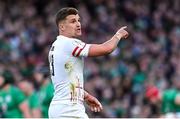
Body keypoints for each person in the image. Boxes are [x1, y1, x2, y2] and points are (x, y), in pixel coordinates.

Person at [48, 7, 129, 118]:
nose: (78, 24)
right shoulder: (68, 43)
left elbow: (66, 81)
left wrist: (85, 95)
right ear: (62, 26)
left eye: (78, 20)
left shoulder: (56, 45)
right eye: (73, 21)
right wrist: (118, 35)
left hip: (61, 107)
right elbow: (106, 49)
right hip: (69, 109)